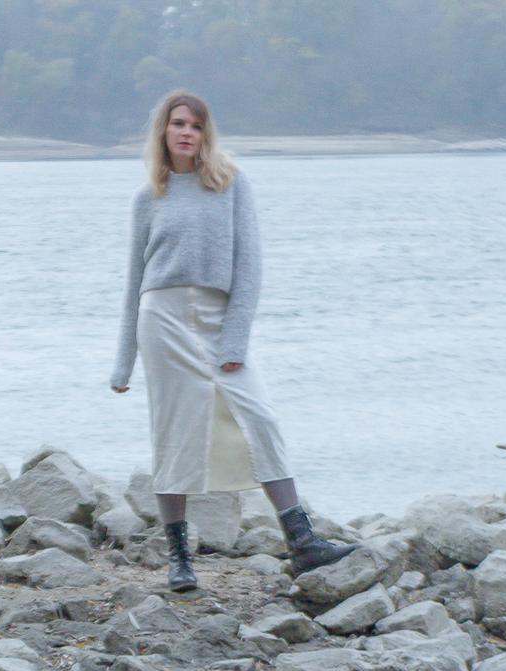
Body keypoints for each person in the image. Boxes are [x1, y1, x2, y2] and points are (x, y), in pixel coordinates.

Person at [111, 90, 356, 594]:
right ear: (163, 131)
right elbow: (134, 282)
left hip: (219, 320)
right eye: (178, 124)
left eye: (196, 126)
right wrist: (123, 364)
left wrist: (235, 341)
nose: (186, 133)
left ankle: (303, 541)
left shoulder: (231, 185)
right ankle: (179, 557)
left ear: (206, 134)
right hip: (163, 321)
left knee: (258, 416)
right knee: (175, 432)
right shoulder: (147, 197)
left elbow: (250, 267)